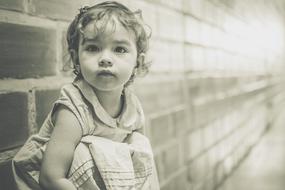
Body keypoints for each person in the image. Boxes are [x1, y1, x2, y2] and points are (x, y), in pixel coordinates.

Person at [12, 1, 159, 189]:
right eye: (93, 48)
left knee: (140, 143)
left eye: (119, 49)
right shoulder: (74, 109)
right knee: (83, 150)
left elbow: (141, 162)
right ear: (76, 58)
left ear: (137, 63)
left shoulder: (132, 107)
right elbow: (50, 178)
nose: (105, 58)